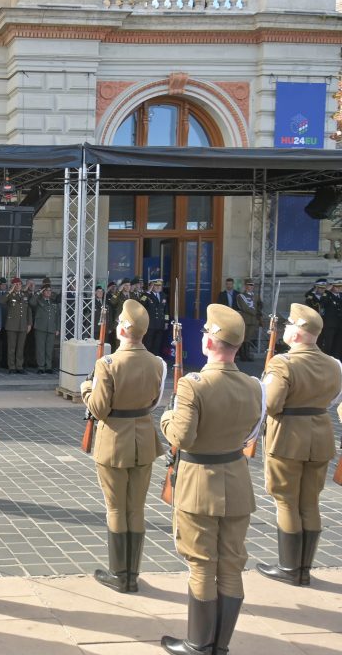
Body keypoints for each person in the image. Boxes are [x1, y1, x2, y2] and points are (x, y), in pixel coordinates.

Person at [159, 304, 264, 655]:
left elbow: (181, 437)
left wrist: (166, 418)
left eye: (206, 332)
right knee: (232, 563)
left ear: (210, 342)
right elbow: (252, 433)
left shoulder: (194, 385)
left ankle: (198, 643)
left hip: (199, 484)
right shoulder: (253, 386)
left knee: (202, 564)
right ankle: (220, 644)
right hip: (235, 480)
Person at [80, 299, 166, 594]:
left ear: (125, 329)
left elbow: (100, 409)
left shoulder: (108, 364)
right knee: (136, 508)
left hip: (114, 439)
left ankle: (120, 574)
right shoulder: (156, 362)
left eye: (119, 322)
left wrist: (86, 389)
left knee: (116, 508)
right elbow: (154, 401)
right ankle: (133, 573)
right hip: (143, 437)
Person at [255, 303, 342, 587]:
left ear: (299, 333)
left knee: (286, 500)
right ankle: (304, 569)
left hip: (288, 437)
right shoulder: (333, 364)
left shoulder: (283, 363)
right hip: (320, 435)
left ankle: (289, 568)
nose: (285, 330)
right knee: (310, 502)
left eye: (289, 325)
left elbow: (271, 403)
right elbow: (331, 401)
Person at [29, 285, 60, 374]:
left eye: (50, 291)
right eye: (46, 291)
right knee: (40, 348)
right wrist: (38, 292)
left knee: (49, 348)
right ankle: (41, 366)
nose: (48, 292)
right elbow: (31, 302)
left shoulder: (53, 302)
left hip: (51, 328)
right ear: (43, 292)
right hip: (40, 328)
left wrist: (57, 328)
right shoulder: (38, 301)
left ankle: (48, 366)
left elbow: (57, 316)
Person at [4, 277, 31, 374]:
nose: (18, 286)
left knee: (20, 347)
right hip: (12, 326)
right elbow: (1, 301)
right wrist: (10, 291)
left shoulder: (24, 295)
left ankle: (19, 366)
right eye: (16, 285)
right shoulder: (10, 295)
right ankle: (11, 367)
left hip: (23, 325)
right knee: (11, 347)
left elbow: (28, 310)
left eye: (19, 284)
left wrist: (29, 323)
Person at [234, 278, 260, 362]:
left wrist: (259, 313)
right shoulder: (241, 296)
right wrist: (255, 312)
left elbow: (259, 306)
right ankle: (242, 355)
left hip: (253, 320)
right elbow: (245, 308)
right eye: (249, 284)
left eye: (252, 285)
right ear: (245, 286)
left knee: (248, 338)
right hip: (245, 319)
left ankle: (247, 354)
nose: (251, 286)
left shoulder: (255, 296)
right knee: (243, 337)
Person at [141, 279, 168, 357]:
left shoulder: (163, 295)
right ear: (152, 286)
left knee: (157, 344)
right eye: (156, 285)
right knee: (148, 343)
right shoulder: (146, 295)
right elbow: (141, 302)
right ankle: (147, 358)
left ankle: (155, 359)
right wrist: (148, 292)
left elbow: (166, 310)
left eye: (160, 285)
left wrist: (166, 322)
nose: (158, 287)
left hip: (160, 323)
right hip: (150, 324)